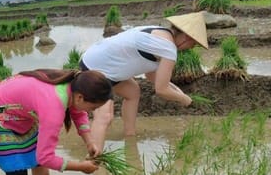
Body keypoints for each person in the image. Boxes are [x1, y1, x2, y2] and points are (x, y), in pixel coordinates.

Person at [79, 12, 208, 150]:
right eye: (194, 44)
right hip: (96, 69)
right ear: (187, 37)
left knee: (132, 92)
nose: (191, 48)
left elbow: (152, 77)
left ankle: (130, 137)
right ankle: (93, 159)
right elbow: (161, 90)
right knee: (105, 116)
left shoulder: (159, 33)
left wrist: (177, 90)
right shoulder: (168, 48)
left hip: (101, 63)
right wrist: (184, 99)